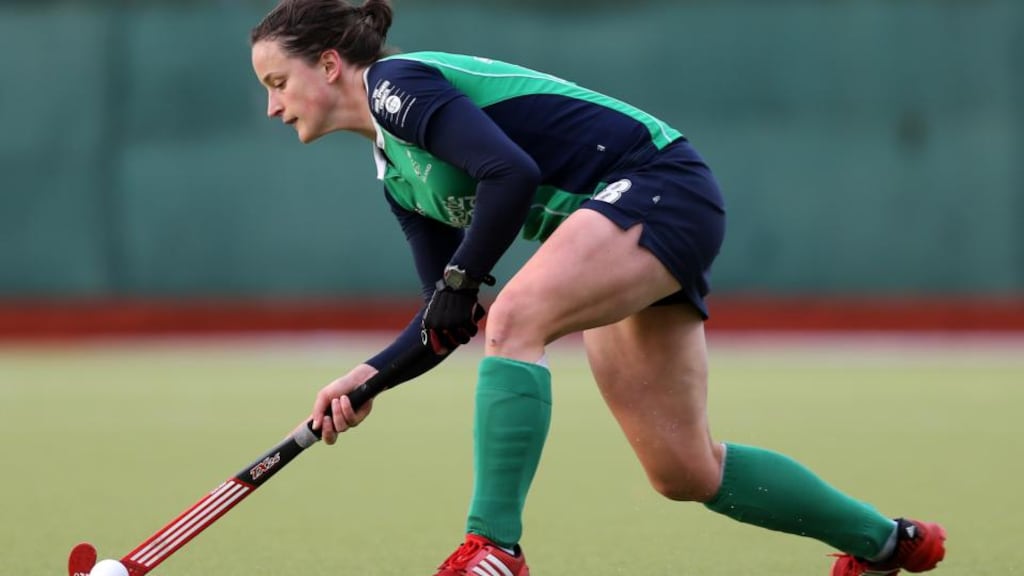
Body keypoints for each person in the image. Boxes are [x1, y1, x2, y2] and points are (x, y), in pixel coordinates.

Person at [249, 1, 947, 574]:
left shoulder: (398, 86)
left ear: (331, 65)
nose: (272, 109)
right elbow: (450, 314)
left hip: (657, 185)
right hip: (607, 222)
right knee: (683, 470)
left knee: (518, 315)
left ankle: (494, 547)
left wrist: (464, 285)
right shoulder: (397, 176)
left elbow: (509, 174)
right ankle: (887, 542)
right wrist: (368, 379)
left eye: (277, 83)